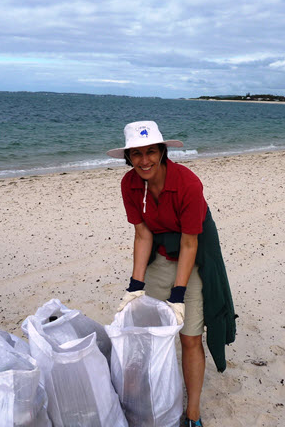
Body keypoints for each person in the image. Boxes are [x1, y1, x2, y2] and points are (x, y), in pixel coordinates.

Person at [107, 120, 236, 427]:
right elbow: (142, 234)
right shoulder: (129, 184)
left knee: (190, 336)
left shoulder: (188, 183)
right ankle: (150, 396)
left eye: (151, 151)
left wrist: (178, 294)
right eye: (136, 154)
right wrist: (134, 285)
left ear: (163, 152)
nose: (144, 160)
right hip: (158, 253)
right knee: (148, 334)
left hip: (193, 254)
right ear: (128, 159)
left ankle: (193, 412)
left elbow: (191, 242)